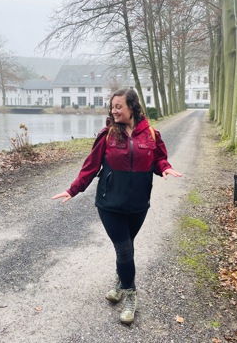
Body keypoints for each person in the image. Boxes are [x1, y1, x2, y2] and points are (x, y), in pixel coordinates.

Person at [51, 88, 182, 324]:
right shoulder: (108, 135)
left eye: (119, 106)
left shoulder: (151, 134)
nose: (114, 110)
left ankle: (120, 283)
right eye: (112, 107)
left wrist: (165, 167)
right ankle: (131, 295)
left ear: (132, 107)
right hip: (110, 204)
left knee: (127, 248)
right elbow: (90, 167)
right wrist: (73, 189)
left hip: (139, 204)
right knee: (124, 249)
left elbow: (158, 159)